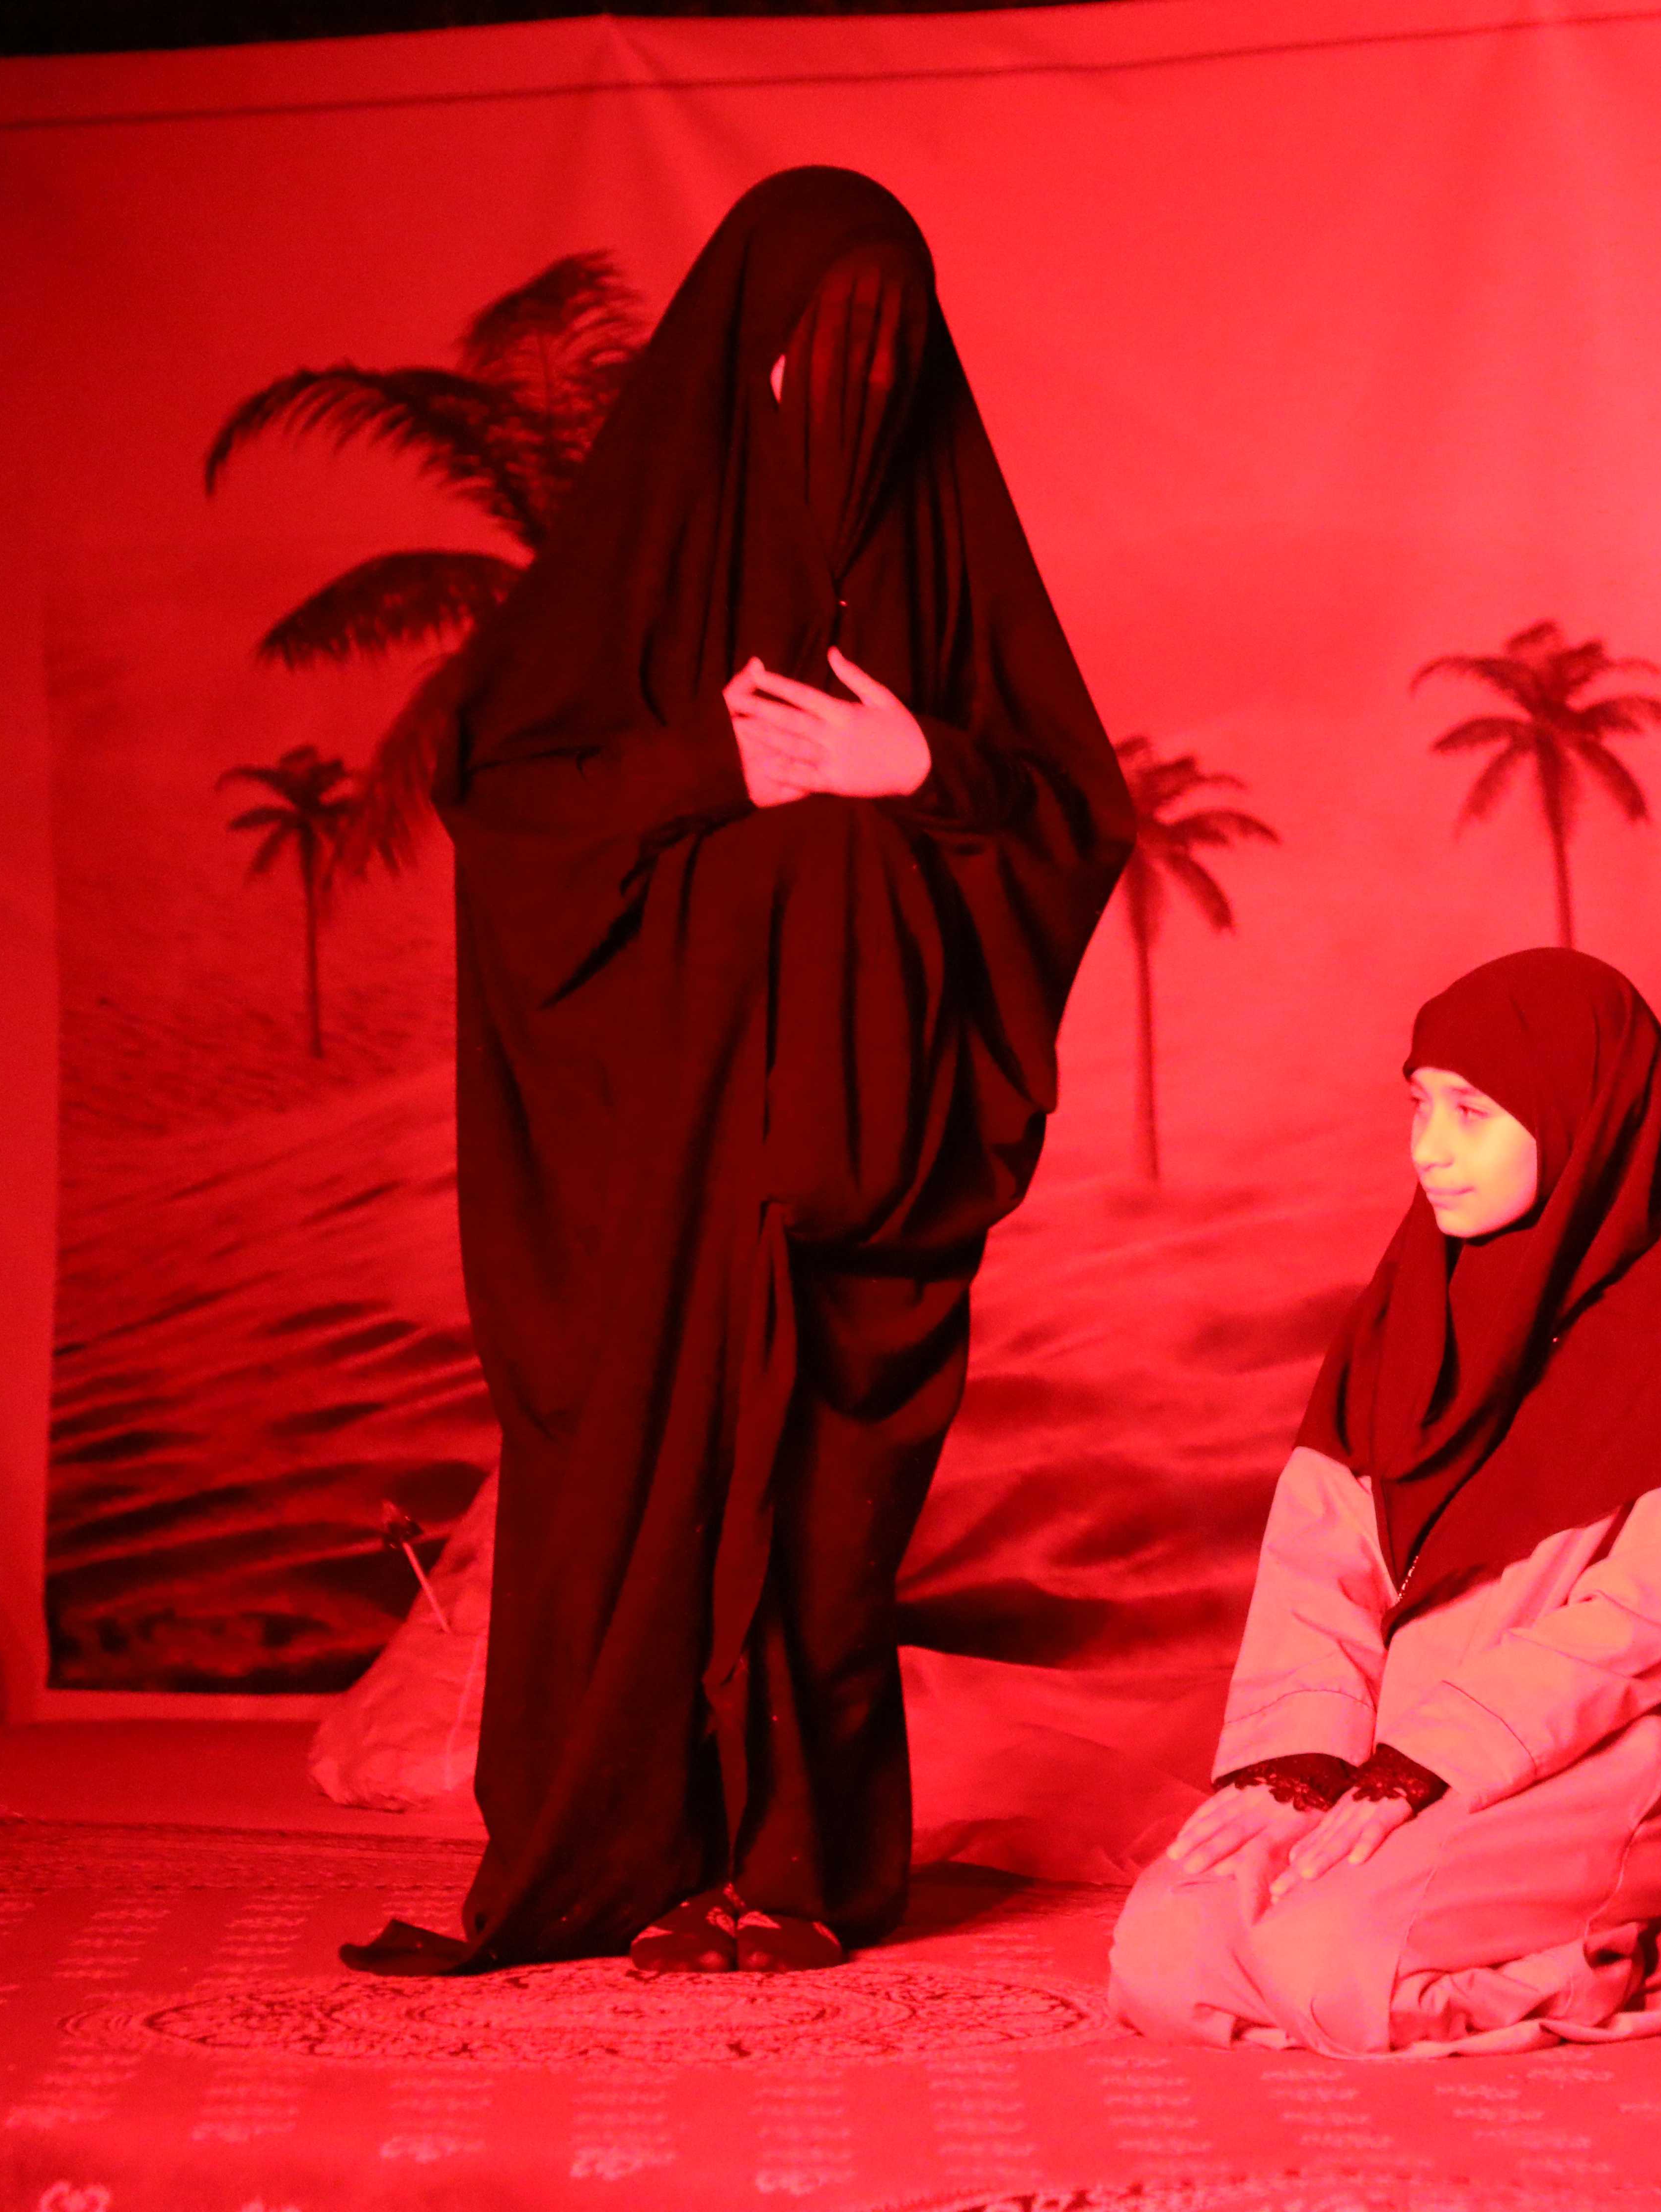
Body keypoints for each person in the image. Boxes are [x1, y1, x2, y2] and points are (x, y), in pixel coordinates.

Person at [342, 168, 1131, 1976]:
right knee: (643, 1498)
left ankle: (798, 1876)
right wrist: (723, 771)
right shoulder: (640, 559)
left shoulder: (951, 560)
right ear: (744, 360)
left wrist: (921, 768)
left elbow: (1073, 817)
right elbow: (510, 797)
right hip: (668, 1149)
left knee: (830, 1533)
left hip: (870, 1151)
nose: (856, 389)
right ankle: (618, 1856)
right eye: (819, 353)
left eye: (891, 353)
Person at [1107, 948, 1661, 2055]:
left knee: (1332, 1973)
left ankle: (1623, 1949)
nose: (1429, 1149)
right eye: (1418, 1104)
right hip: (1382, 1762)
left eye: (1472, 1112)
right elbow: (1322, 1558)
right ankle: (1446, 1914)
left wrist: (1433, 1759)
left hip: (1580, 1762)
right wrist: (1306, 1761)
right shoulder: (1410, 1301)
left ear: (1580, 1113)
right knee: (1164, 1954)